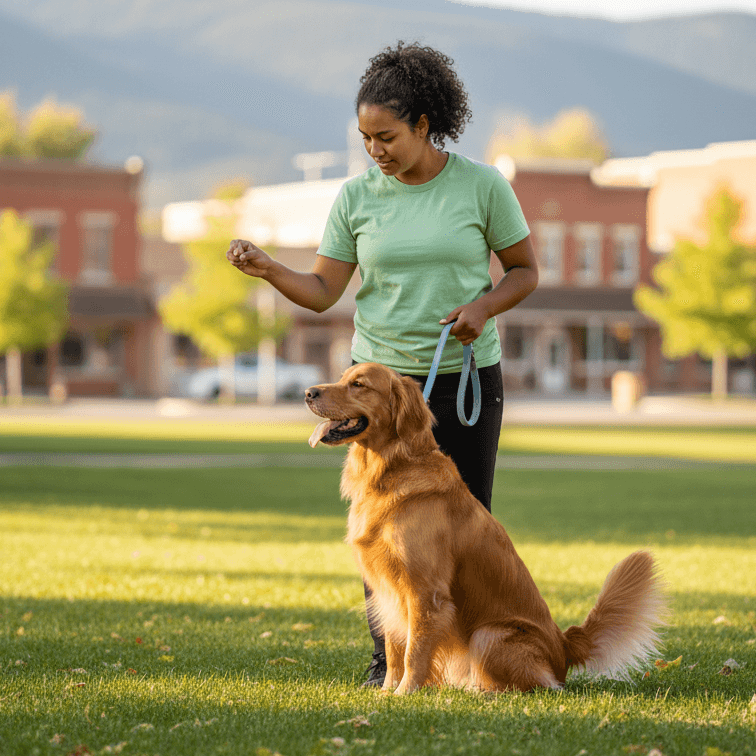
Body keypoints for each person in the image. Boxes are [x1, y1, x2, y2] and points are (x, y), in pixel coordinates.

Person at [226, 40, 538, 686]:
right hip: (377, 392)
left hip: (461, 379)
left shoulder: (481, 187)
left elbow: (525, 272)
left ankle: (462, 663)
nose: (376, 150)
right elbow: (321, 292)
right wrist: (267, 270)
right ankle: (385, 664)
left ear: (425, 125)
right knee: (378, 530)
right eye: (366, 138)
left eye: (387, 136)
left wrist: (484, 306)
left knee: (463, 529)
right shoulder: (357, 198)